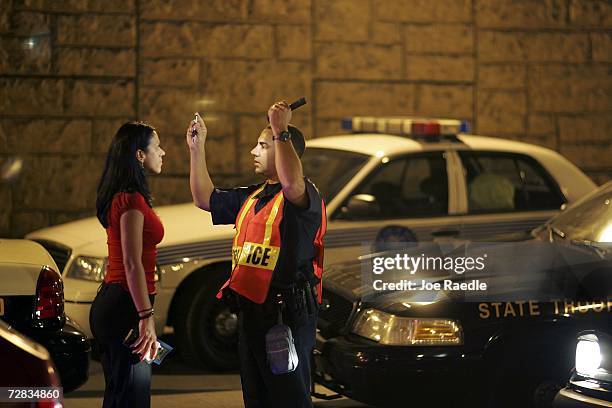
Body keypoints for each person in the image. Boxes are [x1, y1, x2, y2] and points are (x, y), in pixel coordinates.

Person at [187, 102, 326, 408]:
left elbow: (292, 182)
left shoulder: (303, 195)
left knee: (288, 398)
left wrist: (281, 130)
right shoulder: (252, 195)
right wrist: (197, 149)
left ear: (282, 148)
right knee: (257, 397)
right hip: (253, 313)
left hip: (286, 314)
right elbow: (204, 198)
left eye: (263, 146)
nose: (253, 151)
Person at [90, 121, 165, 408]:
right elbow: (132, 263)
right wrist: (146, 316)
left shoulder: (124, 196)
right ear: (139, 155)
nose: (163, 152)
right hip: (126, 307)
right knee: (132, 395)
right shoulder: (130, 200)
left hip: (118, 302)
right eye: (157, 146)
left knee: (120, 393)